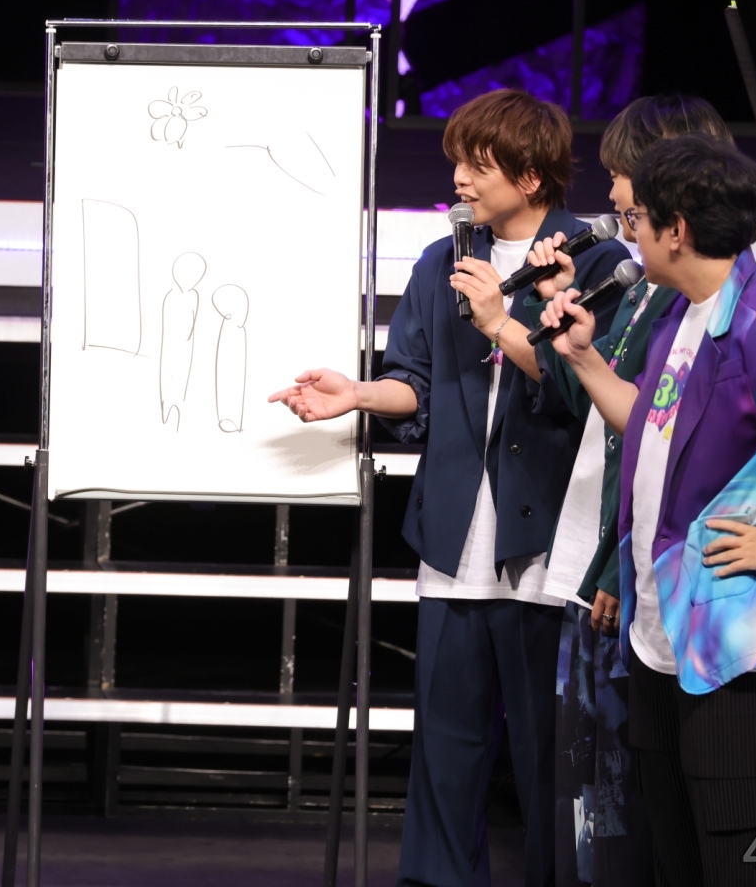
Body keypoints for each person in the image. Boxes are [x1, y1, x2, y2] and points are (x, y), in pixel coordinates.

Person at [269, 88, 630, 887]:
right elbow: (415, 381)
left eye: (478, 165)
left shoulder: (595, 262)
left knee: (548, 758)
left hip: (545, 550)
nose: (460, 179)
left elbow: (584, 389)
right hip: (452, 542)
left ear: (530, 176)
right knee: (445, 753)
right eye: (458, 163)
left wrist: (504, 317)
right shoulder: (443, 261)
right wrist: (358, 394)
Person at [538, 134, 756, 886]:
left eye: (638, 220)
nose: (631, 234)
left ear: (677, 229)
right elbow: (653, 424)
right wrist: (586, 359)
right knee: (678, 862)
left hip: (740, 667)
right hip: (666, 645)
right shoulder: (686, 314)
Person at [521, 94, 733, 887]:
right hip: (594, 554)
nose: (610, 193)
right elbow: (591, 404)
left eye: (621, 176)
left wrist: (618, 564)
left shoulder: (699, 300)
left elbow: (666, 447)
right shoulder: (639, 285)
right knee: (587, 785)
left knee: (623, 793)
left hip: (632, 570)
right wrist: (549, 314)